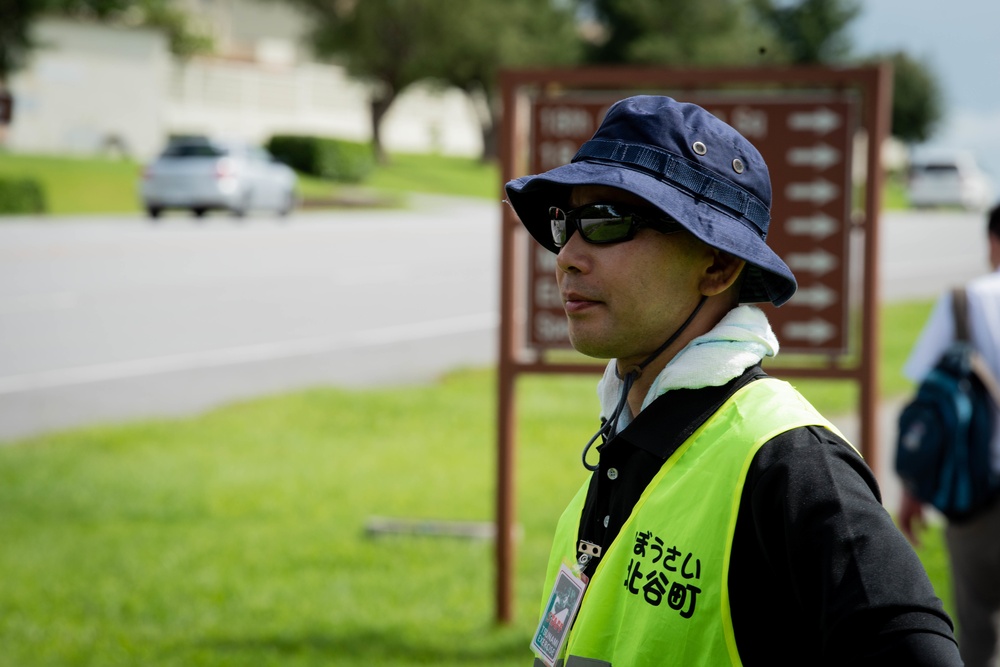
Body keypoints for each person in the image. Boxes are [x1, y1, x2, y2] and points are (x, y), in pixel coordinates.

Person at [504, 95, 961, 666]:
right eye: (563, 223)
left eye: (604, 221)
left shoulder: (793, 465)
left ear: (717, 266)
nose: (566, 255)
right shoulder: (632, 433)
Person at [898, 203, 1000, 667]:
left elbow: (928, 400)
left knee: (978, 628)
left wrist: (913, 491)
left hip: (979, 496)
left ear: (993, 242)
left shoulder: (967, 302)